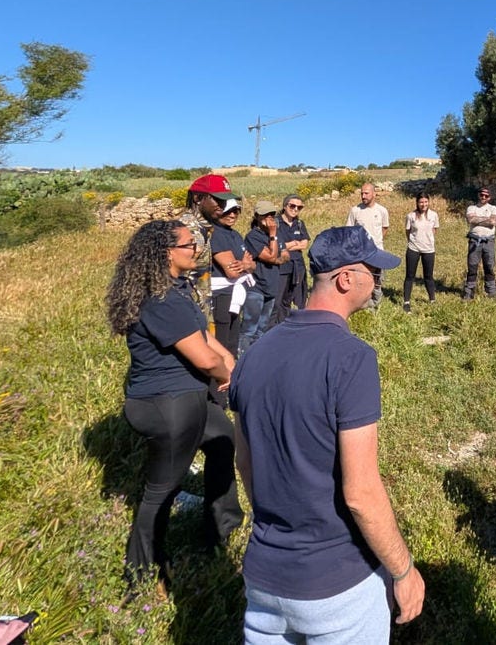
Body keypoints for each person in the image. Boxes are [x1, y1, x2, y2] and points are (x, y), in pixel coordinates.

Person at [230, 226, 425, 642]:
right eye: (373, 272)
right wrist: (404, 571)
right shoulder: (351, 358)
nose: (378, 281)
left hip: (264, 578)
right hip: (338, 586)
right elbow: (360, 493)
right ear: (346, 279)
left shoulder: (253, 354)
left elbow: (244, 462)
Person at [106, 220, 243, 596]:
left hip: (186, 398)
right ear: (166, 252)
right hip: (166, 405)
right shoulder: (161, 301)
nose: (195, 248)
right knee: (161, 490)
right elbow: (203, 358)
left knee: (223, 439)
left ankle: (221, 526)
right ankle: (141, 574)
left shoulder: (175, 288)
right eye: (188, 244)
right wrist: (223, 375)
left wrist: (231, 362)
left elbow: (204, 340)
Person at [177, 173, 240, 322]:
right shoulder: (191, 231)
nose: (222, 206)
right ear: (197, 198)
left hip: (198, 311)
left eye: (224, 201)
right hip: (186, 315)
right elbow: (174, 280)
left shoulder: (204, 228)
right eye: (217, 200)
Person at [209, 199, 256, 396]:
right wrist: (244, 265)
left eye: (236, 211)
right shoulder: (216, 234)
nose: (233, 215)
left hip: (234, 296)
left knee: (232, 341)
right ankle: (217, 392)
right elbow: (232, 271)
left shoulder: (235, 235)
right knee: (221, 344)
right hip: (221, 296)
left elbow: (252, 264)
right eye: (228, 211)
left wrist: (245, 265)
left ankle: (230, 387)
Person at [241, 201, 288, 355]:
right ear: (257, 217)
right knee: (250, 328)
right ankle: (243, 356)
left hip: (271, 286)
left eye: (272, 215)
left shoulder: (277, 234)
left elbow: (285, 255)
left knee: (263, 328)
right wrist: (273, 236)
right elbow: (271, 256)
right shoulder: (253, 236)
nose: (269, 218)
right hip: (256, 287)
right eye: (265, 215)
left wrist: (277, 259)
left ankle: (257, 356)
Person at [347, 182, 391, 308]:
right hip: (361, 252)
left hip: (377, 251)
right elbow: (349, 230)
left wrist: (376, 242)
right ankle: (362, 304)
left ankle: (376, 303)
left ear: (374, 194)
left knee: (377, 278)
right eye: (362, 193)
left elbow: (385, 228)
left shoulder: (382, 211)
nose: (363, 196)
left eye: (366, 193)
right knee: (362, 278)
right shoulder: (355, 210)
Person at [272, 195, 311, 325]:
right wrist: (294, 243)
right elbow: (276, 246)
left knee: (294, 299)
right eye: (292, 206)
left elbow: (304, 244)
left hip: (297, 267)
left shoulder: (299, 224)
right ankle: (277, 325)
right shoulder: (276, 223)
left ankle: (290, 324)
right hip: (282, 267)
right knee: (278, 300)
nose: (295, 209)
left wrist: (287, 245)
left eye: (299, 207)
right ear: (285, 206)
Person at [403, 192, 439, 310]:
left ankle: (432, 300)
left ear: (429, 202)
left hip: (429, 249)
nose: (423, 204)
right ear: (417, 203)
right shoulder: (411, 216)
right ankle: (406, 302)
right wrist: (413, 241)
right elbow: (408, 231)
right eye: (421, 202)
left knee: (428, 276)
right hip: (413, 248)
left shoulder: (434, 215)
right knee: (410, 276)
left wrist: (427, 240)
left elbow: (434, 230)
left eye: (425, 202)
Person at [463, 186, 496, 300]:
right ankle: (469, 293)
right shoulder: (471, 208)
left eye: (486, 195)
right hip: (474, 241)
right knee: (472, 266)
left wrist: (478, 220)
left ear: (489, 197)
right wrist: (486, 219)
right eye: (481, 195)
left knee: (489, 266)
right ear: (478, 195)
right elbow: (470, 220)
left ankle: (491, 292)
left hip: (489, 241)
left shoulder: (493, 208)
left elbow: (493, 222)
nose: (483, 197)